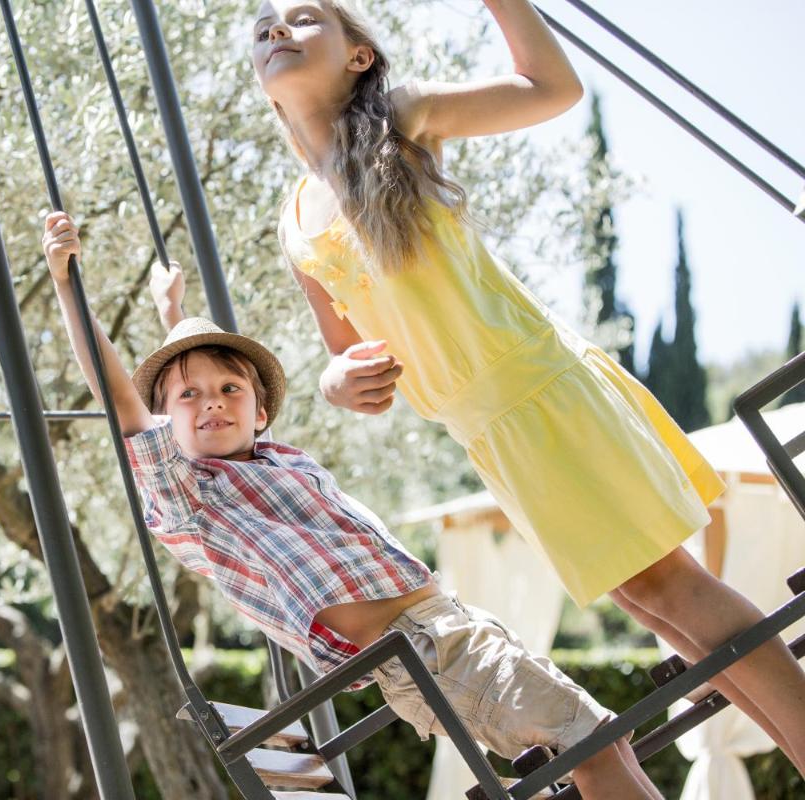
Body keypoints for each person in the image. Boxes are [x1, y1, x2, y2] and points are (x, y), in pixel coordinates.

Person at [246, 0, 805, 773]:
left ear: (359, 58)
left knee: (671, 587)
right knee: (652, 605)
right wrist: (342, 380)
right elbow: (340, 350)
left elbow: (549, 88)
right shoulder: (296, 218)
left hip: (540, 389)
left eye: (304, 17)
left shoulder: (398, 120)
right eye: (265, 26)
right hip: (489, 434)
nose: (276, 29)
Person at [42, 209, 662, 798]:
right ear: (163, 421)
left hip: (449, 631)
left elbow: (194, 384)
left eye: (231, 389)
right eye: (188, 397)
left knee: (608, 738)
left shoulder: (275, 460)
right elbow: (123, 398)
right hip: (422, 654)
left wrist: (173, 314)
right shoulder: (192, 496)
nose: (211, 402)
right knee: (594, 741)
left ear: (260, 413)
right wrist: (68, 284)